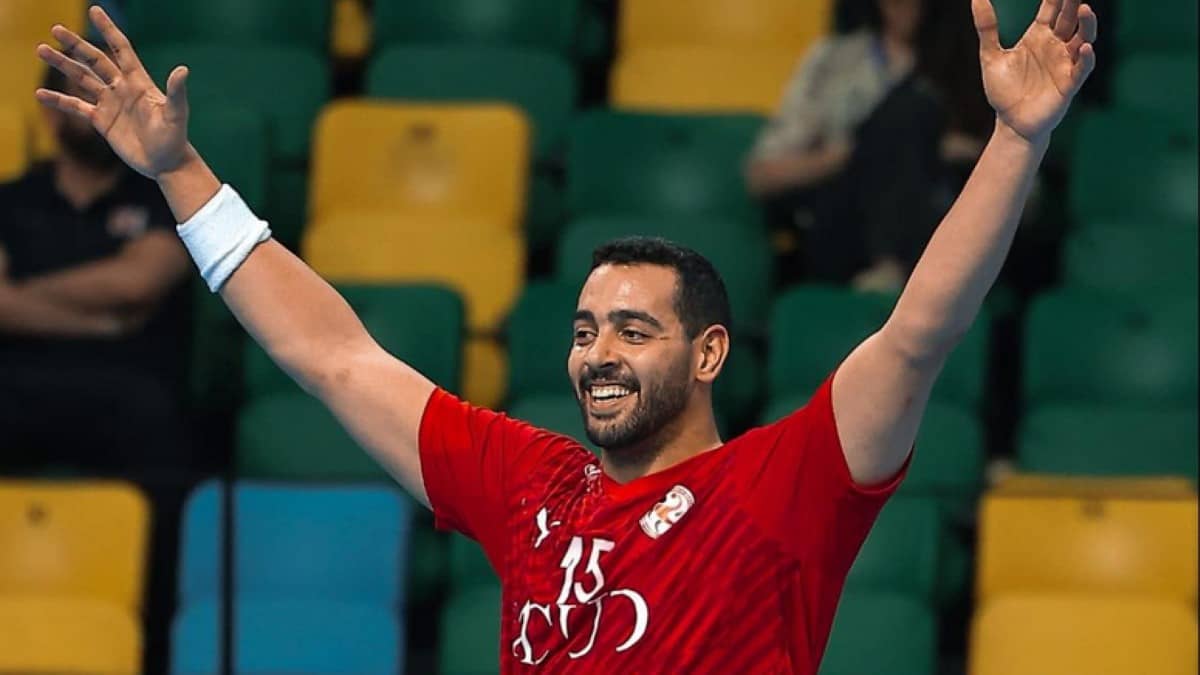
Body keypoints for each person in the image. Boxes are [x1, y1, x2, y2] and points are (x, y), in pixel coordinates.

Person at [34, 1, 1096, 671]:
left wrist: (1015, 137)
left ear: (709, 354)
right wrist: (181, 175)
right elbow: (336, 358)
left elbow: (918, 332)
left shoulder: (784, 487)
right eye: (586, 330)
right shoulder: (528, 484)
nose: (598, 355)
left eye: (634, 330)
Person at [0, 54, 194, 476]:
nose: (105, 113)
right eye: (87, 98)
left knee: (154, 416)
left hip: (129, 383)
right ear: (52, 113)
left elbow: (137, 283)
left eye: (115, 99)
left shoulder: (163, 196)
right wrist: (101, 323)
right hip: (16, 380)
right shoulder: (10, 200)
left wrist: (20, 294)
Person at [745, 0, 993, 292]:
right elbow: (762, 176)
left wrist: (935, 151)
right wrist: (857, 153)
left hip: (944, 225)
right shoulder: (833, 61)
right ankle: (891, 266)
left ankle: (898, 267)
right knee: (902, 118)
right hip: (845, 226)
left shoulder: (970, 62)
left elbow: (1021, 189)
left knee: (914, 113)